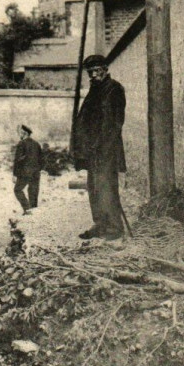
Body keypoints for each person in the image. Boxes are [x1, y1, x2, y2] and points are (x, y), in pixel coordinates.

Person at [71, 54, 127, 240]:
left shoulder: (114, 89)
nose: (93, 75)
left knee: (106, 188)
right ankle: (100, 224)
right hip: (92, 151)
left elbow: (113, 124)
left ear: (105, 69)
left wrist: (101, 147)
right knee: (94, 188)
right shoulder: (95, 90)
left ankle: (114, 228)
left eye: (96, 71)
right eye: (90, 72)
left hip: (105, 150)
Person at [13, 124, 42, 215]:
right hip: (36, 172)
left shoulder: (21, 144)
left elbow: (18, 160)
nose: (19, 135)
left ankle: (27, 208)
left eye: (20, 133)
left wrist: (15, 174)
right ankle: (33, 209)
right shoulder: (36, 143)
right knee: (33, 189)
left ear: (24, 133)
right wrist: (39, 169)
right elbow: (41, 158)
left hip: (24, 172)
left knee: (17, 190)